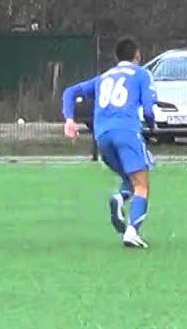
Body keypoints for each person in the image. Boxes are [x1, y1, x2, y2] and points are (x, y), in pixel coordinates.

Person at [61, 36, 158, 248]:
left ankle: (120, 199)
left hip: (102, 137)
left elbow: (70, 92)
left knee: (129, 179)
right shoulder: (142, 74)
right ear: (137, 55)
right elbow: (149, 110)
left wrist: (69, 119)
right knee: (142, 185)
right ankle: (132, 232)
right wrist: (152, 125)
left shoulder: (103, 77)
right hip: (127, 132)